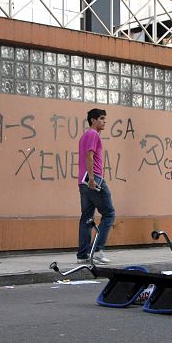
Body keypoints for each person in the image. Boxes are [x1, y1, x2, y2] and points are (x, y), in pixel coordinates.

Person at [77, 108, 115, 265]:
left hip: (82, 181)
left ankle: (82, 255)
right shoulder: (93, 134)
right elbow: (89, 155)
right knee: (109, 213)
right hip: (94, 180)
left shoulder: (84, 135)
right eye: (101, 118)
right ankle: (97, 250)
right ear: (93, 120)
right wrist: (92, 178)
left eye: (105, 119)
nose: (104, 121)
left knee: (86, 218)